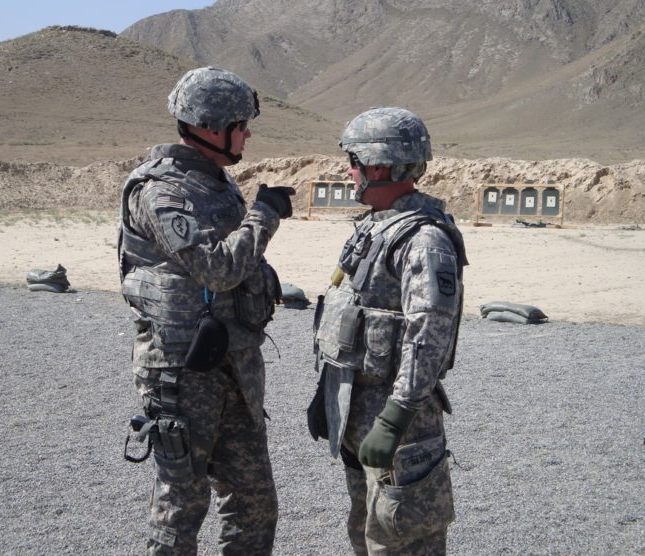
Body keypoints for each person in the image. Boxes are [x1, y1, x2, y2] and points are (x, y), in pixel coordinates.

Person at [118, 66, 294, 555]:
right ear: (211, 127)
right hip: (182, 372)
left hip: (235, 368)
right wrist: (265, 216)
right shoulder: (161, 190)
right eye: (241, 124)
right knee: (182, 506)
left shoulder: (218, 183)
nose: (248, 133)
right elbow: (217, 270)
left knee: (256, 502)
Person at [308, 107, 468, 555]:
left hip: (401, 429)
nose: (349, 171)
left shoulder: (423, 240)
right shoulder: (372, 229)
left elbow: (429, 333)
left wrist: (395, 418)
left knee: (402, 541)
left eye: (354, 162)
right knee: (366, 535)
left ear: (378, 166)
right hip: (360, 419)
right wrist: (327, 397)